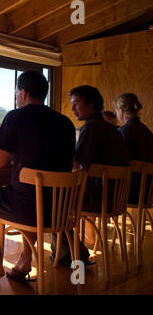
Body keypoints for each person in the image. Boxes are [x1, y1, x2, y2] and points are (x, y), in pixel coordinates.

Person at [0, 71, 76, 289]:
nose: (16, 97)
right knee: (33, 195)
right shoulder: (66, 123)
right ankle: (23, 262)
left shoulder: (16, 117)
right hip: (59, 209)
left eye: (16, 92)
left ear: (24, 92)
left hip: (27, 207)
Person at [52, 85, 128, 261]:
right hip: (114, 197)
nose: (72, 108)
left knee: (54, 200)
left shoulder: (92, 128)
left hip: (97, 197)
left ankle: (68, 254)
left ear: (91, 103)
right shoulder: (112, 129)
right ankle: (72, 250)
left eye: (76, 103)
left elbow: (79, 166)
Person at [114, 93, 153, 206]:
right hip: (148, 192)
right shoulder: (147, 131)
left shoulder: (124, 131)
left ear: (120, 111)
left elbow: (120, 162)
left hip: (129, 192)